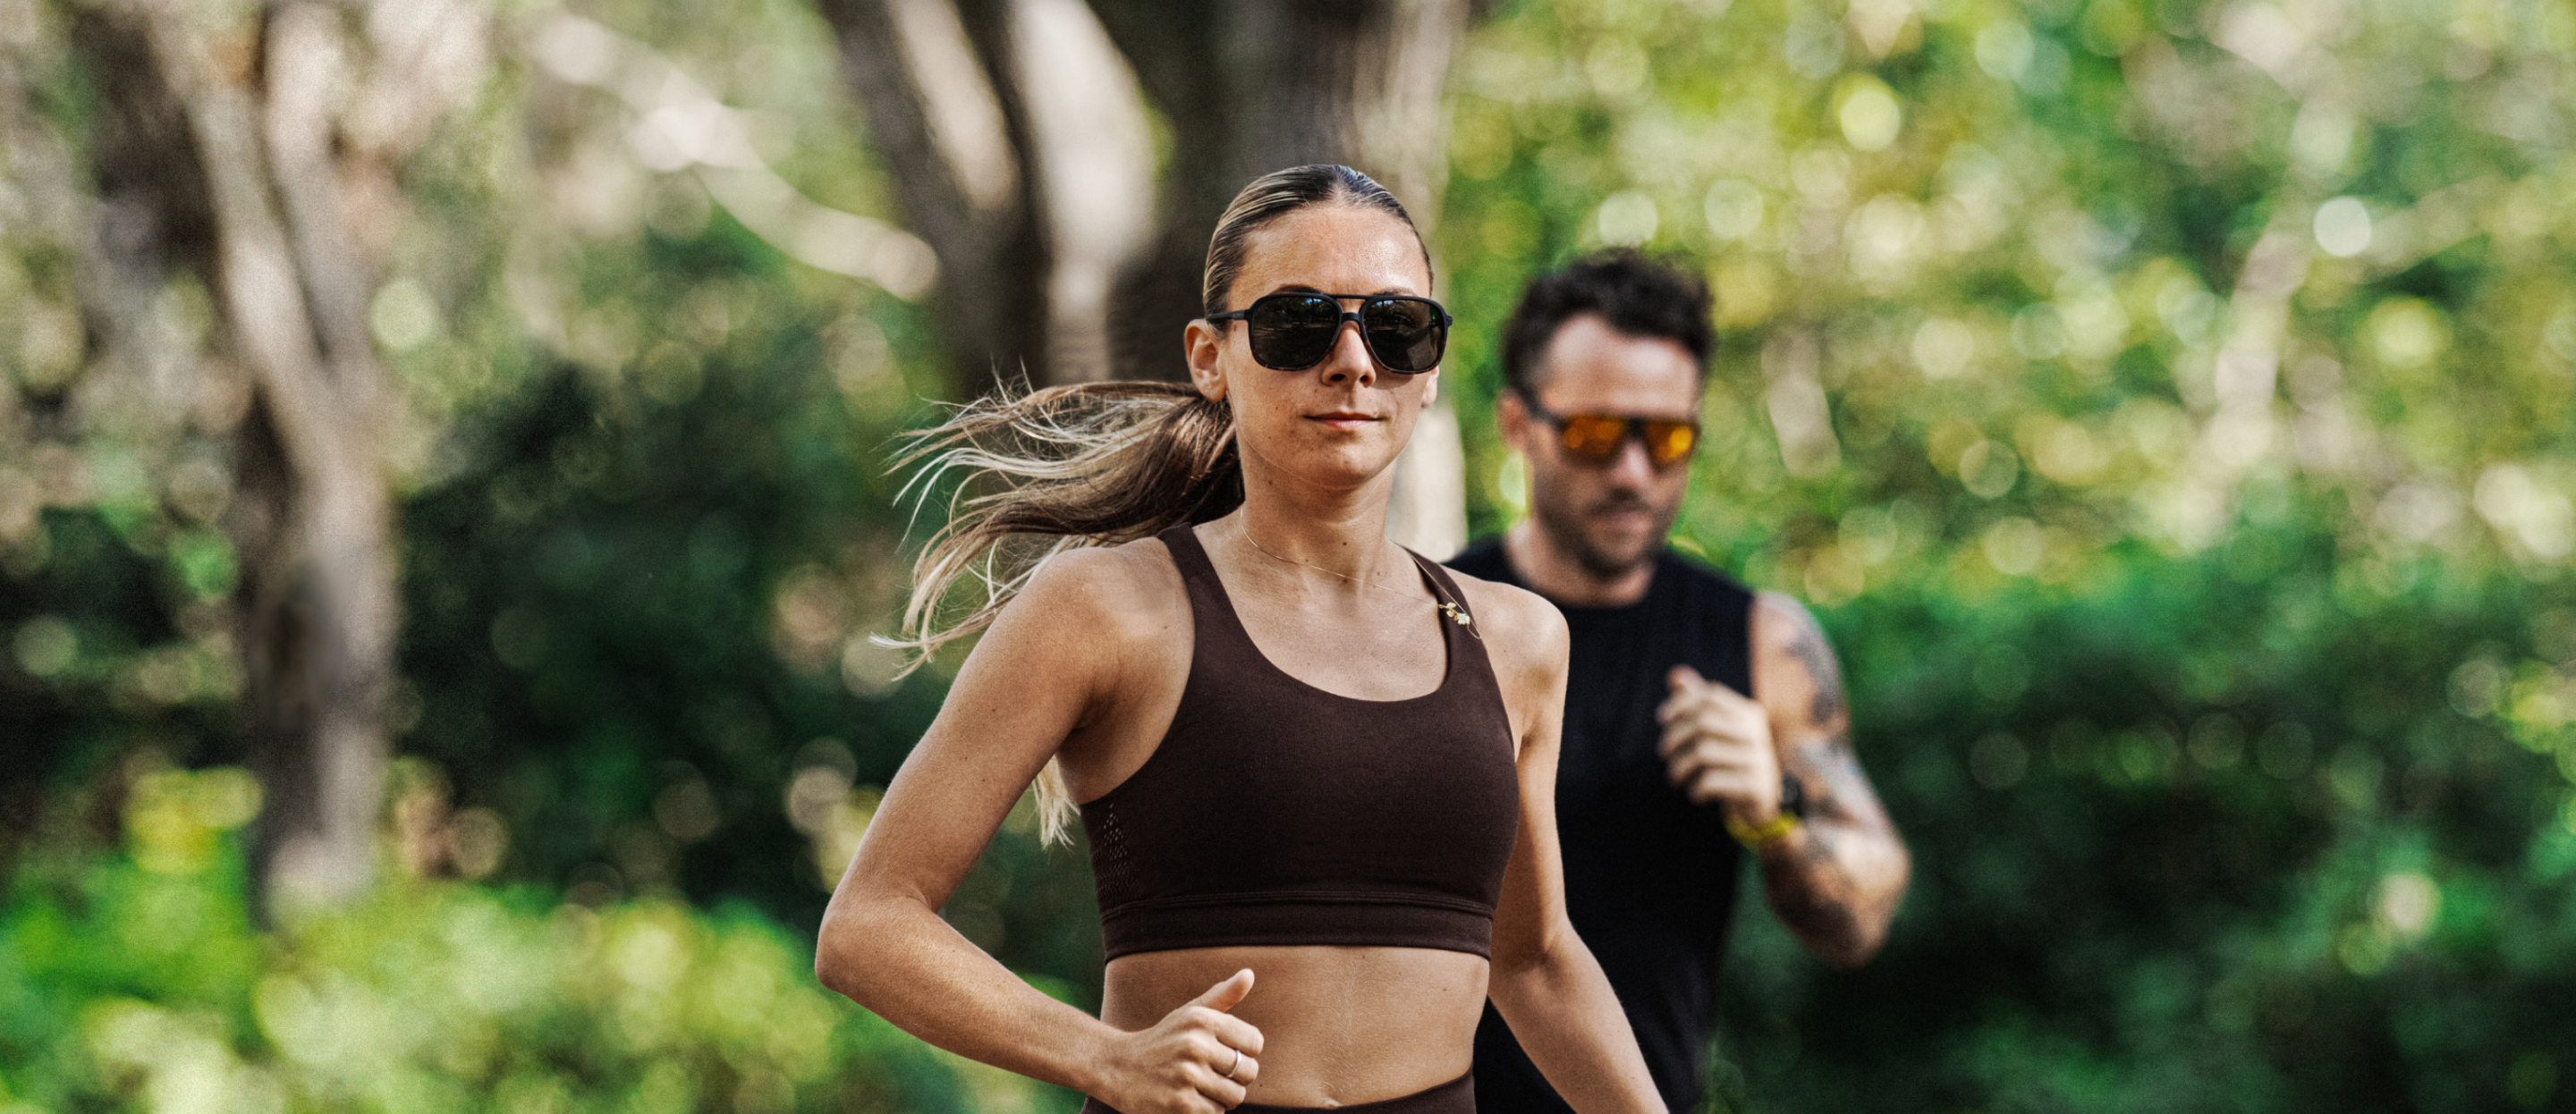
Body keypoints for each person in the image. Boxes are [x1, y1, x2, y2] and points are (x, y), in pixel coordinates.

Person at [816, 166, 1666, 1114]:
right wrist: (1104, 1057)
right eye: (1298, 324)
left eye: (1397, 327)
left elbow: (1534, 959)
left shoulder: (1518, 638)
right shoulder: (1105, 609)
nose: (1353, 362)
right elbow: (869, 923)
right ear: (1209, 357)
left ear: (1430, 371)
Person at [1451, 252, 1912, 1114]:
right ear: (1519, 424)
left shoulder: (1759, 640)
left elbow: (1863, 916)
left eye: (1666, 439)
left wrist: (1773, 810)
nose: (1633, 472)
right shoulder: (1431, 617)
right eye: (1596, 434)